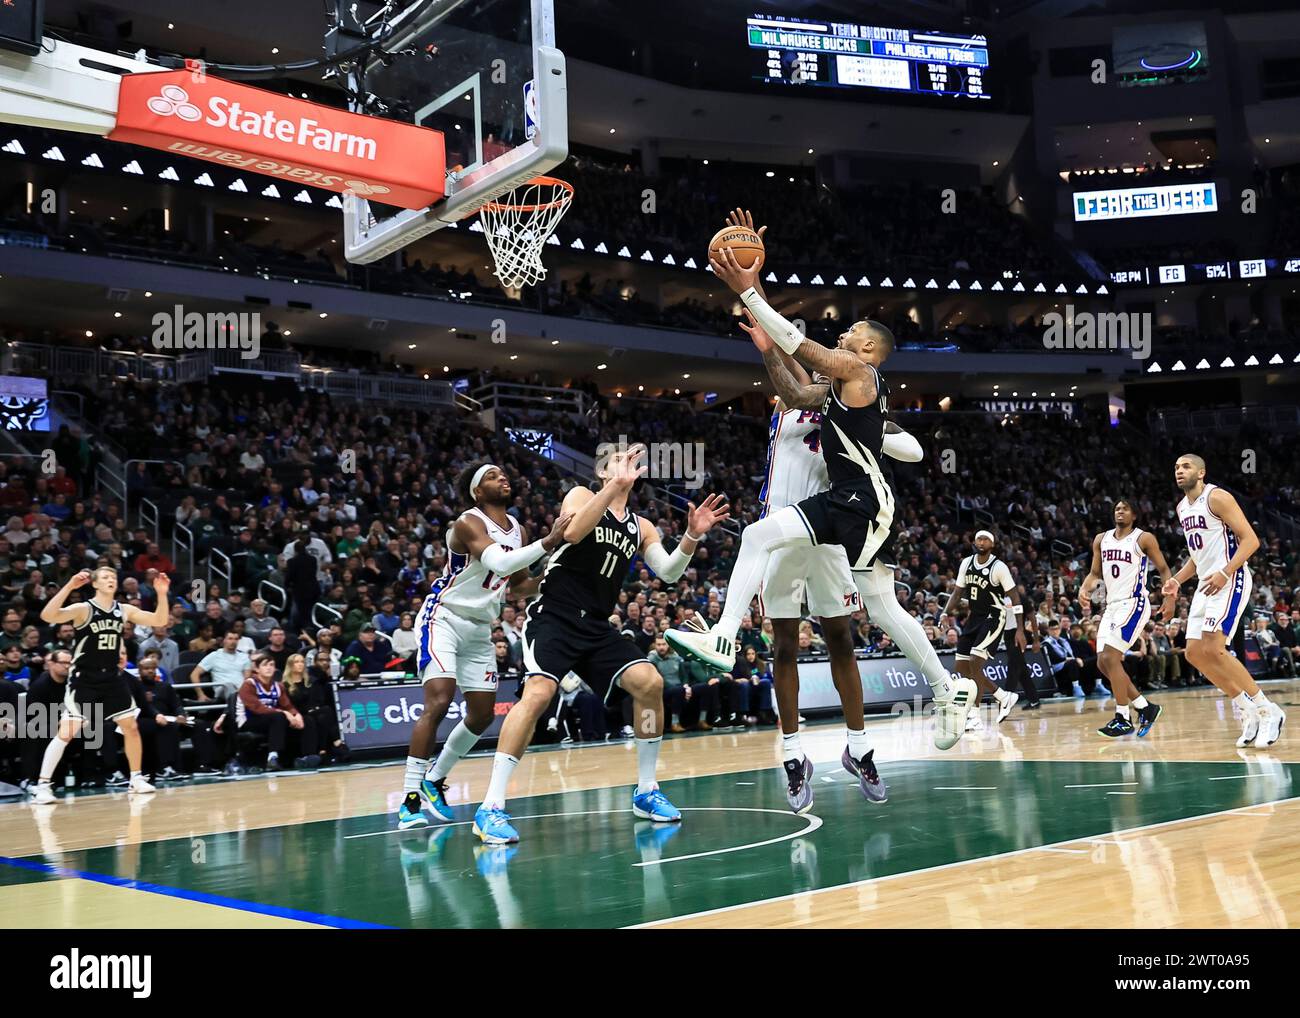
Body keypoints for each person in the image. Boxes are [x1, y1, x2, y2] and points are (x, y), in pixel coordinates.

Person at [665, 234, 973, 751]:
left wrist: (750, 290)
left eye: (852, 330)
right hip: (851, 502)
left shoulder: (859, 370)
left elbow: (801, 346)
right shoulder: (836, 387)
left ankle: (724, 635)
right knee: (868, 600)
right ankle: (948, 688)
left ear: (870, 347)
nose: (844, 333)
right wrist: (766, 342)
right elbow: (794, 390)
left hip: (862, 501)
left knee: (856, 595)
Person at [472, 446, 730, 844]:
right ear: (602, 472)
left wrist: (692, 536)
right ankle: (490, 806)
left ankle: (646, 791)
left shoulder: (642, 526)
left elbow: (669, 573)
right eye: (616, 461)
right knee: (539, 693)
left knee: (650, 683)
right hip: (554, 615)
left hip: (596, 624)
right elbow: (572, 533)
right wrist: (612, 488)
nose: (626, 465)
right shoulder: (580, 496)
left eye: (630, 461)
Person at [398, 463, 573, 830]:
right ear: (478, 491)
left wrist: (558, 574)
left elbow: (519, 584)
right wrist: (549, 542)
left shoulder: (519, 529)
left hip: (480, 627)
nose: (502, 478)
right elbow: (500, 561)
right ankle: (410, 798)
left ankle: (435, 778)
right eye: (492, 476)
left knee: (480, 715)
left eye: (504, 474)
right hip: (442, 617)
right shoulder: (468, 522)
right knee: (439, 700)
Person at [1166, 454, 1284, 748]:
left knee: (1215, 648)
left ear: (1202, 472)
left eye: (1186, 466)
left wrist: (1225, 571)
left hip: (1231, 578)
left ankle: (1268, 709)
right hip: (1207, 582)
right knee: (1193, 653)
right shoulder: (1182, 507)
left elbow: (1251, 540)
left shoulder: (1217, 497)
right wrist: (1177, 580)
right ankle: (1246, 708)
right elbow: (1197, 557)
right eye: (1177, 468)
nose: (1180, 471)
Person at [29, 565, 171, 803]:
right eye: (105, 577)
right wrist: (70, 586)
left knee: (131, 727)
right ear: (94, 583)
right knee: (68, 731)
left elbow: (160, 619)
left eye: (114, 577)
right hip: (84, 678)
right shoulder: (83, 609)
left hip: (112, 677)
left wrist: (162, 593)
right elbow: (48, 616)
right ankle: (42, 785)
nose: (111, 580)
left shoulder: (123, 610)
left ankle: (136, 778)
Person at [1079, 500, 1175, 737]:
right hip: (1111, 606)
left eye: (1125, 509)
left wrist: (1170, 598)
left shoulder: (1143, 538)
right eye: (1116, 508)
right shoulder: (1101, 539)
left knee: (1111, 657)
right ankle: (1145, 707)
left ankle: (1122, 717)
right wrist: (1085, 589)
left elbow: (1163, 569)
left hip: (1134, 603)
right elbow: (1094, 573)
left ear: (1134, 515)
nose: (1120, 511)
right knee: (1103, 662)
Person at [941, 530, 1026, 731]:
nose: (981, 541)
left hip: (995, 616)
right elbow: (957, 592)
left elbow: (1015, 598)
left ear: (992, 544)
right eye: (978, 538)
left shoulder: (999, 567)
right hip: (974, 618)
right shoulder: (966, 563)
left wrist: (1020, 629)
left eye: (986, 539)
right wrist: (945, 613)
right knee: (961, 667)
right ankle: (994, 703)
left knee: (974, 663)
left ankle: (992, 703)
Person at [234, 652, 316, 770]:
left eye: (271, 665)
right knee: (278, 717)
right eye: (265, 665)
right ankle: (272, 758)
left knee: (306, 719)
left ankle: (308, 757)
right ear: (257, 669)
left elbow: (287, 705)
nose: (269, 668)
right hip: (249, 721)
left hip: (270, 720)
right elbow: (257, 708)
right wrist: (284, 713)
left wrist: (296, 715)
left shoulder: (278, 686)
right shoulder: (249, 684)